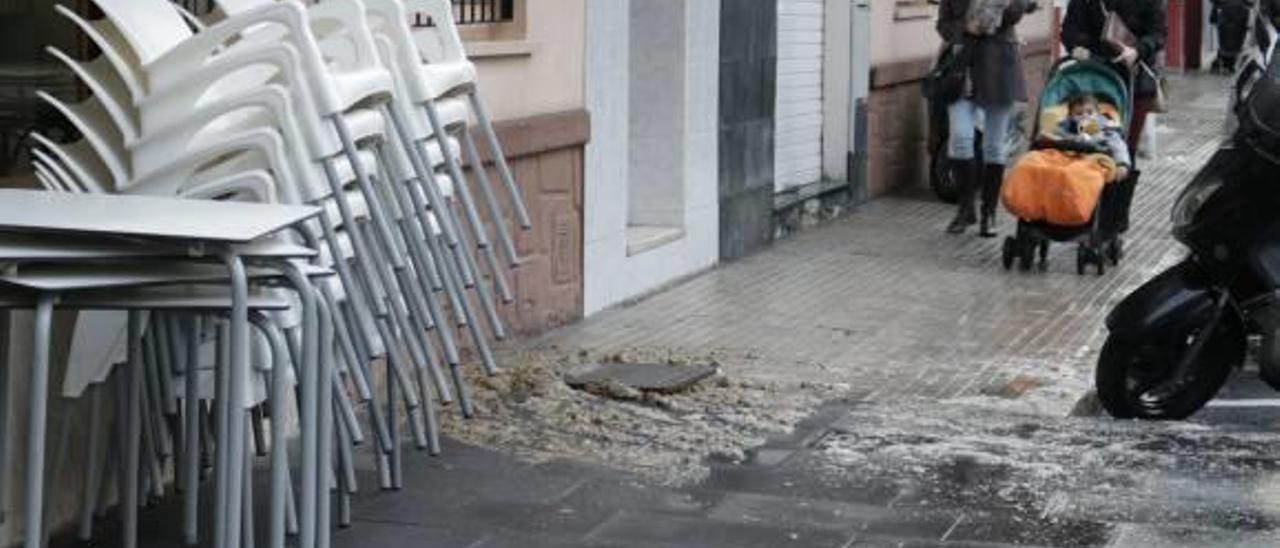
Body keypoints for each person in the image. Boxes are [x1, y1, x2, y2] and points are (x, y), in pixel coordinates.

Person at [1062, 0, 1166, 234]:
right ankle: (1087, 209)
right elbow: (1070, 30)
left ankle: (1115, 216)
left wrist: (1137, 50)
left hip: (1134, 82)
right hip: (1093, 81)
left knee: (1124, 147)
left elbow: (1158, 33)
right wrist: (1079, 47)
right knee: (1089, 141)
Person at [937, 0, 1040, 237]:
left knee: (994, 146)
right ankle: (965, 209)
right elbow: (943, 24)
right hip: (961, 69)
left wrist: (1000, 9)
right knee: (960, 139)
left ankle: (988, 213)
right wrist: (966, 27)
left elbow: (1016, 13)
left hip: (998, 67)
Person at [1057, 93, 1132, 181]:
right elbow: (1054, 137)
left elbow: (1118, 145)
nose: (1085, 116)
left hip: (1096, 158)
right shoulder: (1065, 127)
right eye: (1079, 113)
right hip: (1068, 156)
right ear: (1070, 116)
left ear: (1097, 113)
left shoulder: (1105, 129)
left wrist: (1122, 164)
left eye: (1090, 112)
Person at [1212, 0, 1254, 74]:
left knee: (1230, 42)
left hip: (1235, 17)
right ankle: (1228, 65)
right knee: (1231, 42)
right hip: (1232, 17)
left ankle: (1228, 65)